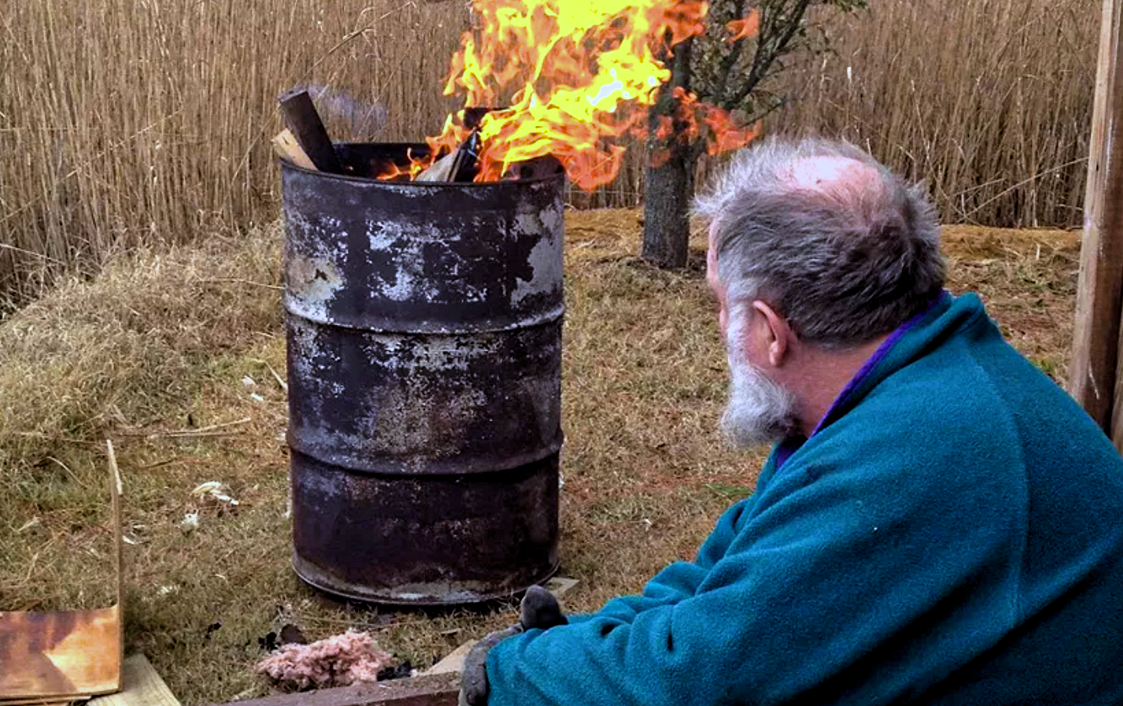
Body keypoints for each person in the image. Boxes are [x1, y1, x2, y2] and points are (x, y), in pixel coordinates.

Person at [460, 137, 1123, 705]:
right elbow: (724, 577)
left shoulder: (916, 454)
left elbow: (697, 682)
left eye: (721, 303)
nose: (718, 323)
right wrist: (579, 644)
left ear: (770, 332)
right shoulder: (898, 389)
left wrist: (509, 675)